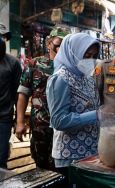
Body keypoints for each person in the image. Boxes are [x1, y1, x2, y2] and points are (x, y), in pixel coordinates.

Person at [46, 33, 100, 175]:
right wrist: (96, 115)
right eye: (87, 55)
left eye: (94, 56)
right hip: (70, 155)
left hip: (91, 153)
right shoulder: (60, 79)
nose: (91, 60)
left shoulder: (87, 77)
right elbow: (58, 120)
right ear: (73, 52)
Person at [15, 28, 68, 171]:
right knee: (41, 165)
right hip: (41, 125)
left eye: (65, 43)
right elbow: (23, 94)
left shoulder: (70, 67)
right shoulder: (34, 64)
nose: (61, 46)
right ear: (49, 43)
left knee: (62, 166)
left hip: (64, 126)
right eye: (59, 42)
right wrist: (19, 122)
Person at [0, 37, 22, 169]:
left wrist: (18, 120)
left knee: (0, 159)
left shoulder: (12, 63)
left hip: (3, 118)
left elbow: (18, 93)